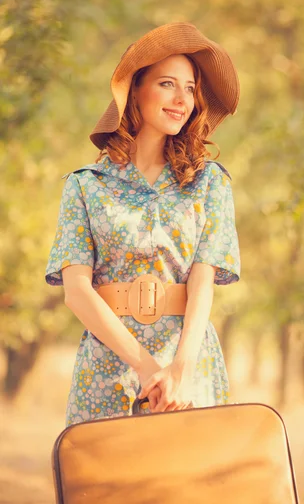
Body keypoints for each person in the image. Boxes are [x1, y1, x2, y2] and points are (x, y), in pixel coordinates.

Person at [45, 22, 241, 426]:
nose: (181, 99)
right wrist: (145, 367)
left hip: (186, 365)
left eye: (189, 88)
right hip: (107, 367)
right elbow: (77, 292)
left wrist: (178, 370)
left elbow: (202, 284)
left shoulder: (210, 182)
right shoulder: (86, 185)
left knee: (190, 485)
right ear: (135, 89)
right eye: (167, 84)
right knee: (104, 486)